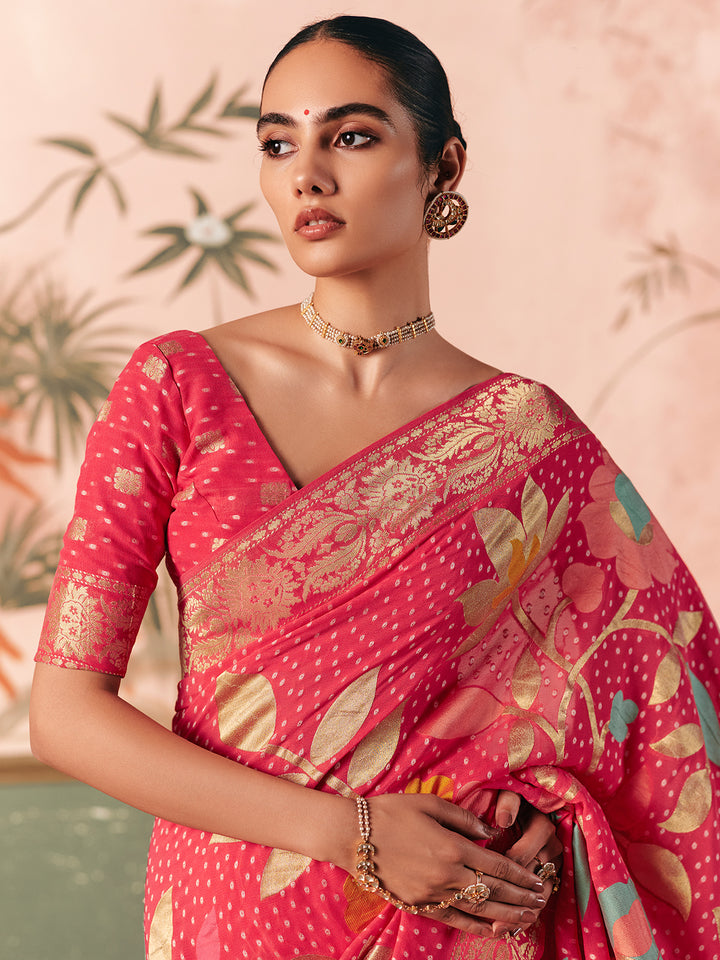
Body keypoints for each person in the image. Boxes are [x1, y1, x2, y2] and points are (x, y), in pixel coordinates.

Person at [30, 15, 719, 960]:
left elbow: (658, 707)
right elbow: (65, 716)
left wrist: (551, 823)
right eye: (278, 143)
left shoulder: (527, 436)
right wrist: (353, 835)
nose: (306, 174)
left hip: (459, 924)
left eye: (350, 136)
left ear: (443, 167)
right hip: (234, 909)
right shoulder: (178, 387)